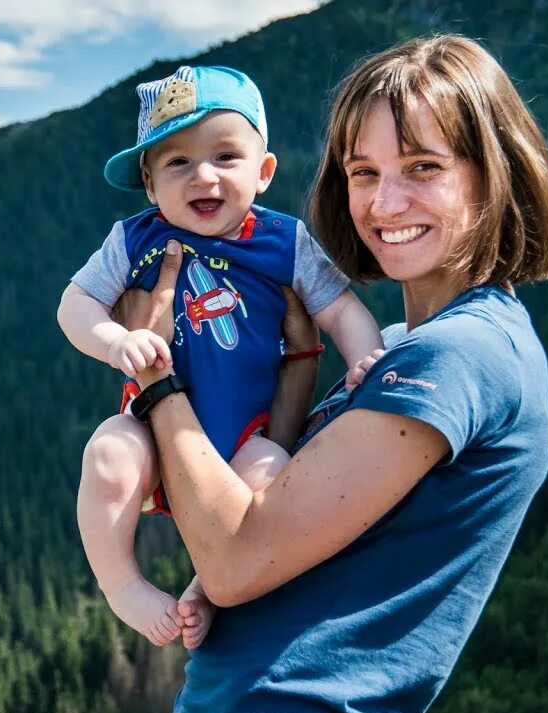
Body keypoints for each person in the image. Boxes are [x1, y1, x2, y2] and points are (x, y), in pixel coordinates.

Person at [113, 34, 548, 713]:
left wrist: (156, 381)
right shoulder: (397, 347)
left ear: (490, 173)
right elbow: (281, 489)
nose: (385, 205)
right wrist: (301, 362)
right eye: (363, 172)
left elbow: (235, 563)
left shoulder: (459, 356)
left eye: (422, 167)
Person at [58, 66, 383, 648]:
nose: (202, 176)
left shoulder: (284, 241)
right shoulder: (133, 239)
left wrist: (367, 360)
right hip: (149, 433)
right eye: (176, 161)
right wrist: (114, 341)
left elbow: (341, 310)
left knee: (271, 487)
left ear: (263, 172)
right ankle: (122, 585)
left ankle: (205, 588)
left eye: (225, 156)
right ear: (150, 185)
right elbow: (74, 304)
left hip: (246, 436)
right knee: (107, 455)